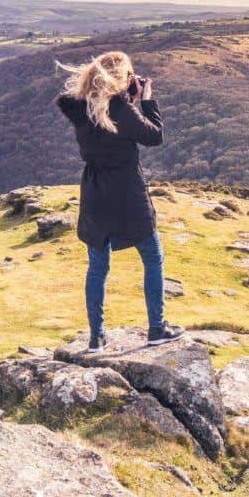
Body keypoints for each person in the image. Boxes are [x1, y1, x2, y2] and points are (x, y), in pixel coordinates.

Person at [56, 50, 184, 351]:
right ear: (119, 78)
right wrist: (146, 99)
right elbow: (154, 136)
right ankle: (156, 329)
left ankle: (96, 337)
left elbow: (108, 119)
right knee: (152, 258)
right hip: (128, 194)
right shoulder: (121, 110)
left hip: (95, 193)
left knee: (97, 266)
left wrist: (126, 97)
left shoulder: (81, 108)